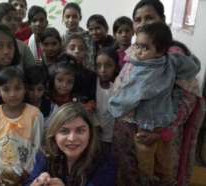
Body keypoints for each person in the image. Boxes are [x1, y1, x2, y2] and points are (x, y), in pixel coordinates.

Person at [108, 22, 200, 185]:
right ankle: (158, 179)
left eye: (145, 47)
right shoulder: (170, 60)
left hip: (148, 125)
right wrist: (193, 61)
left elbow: (129, 95)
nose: (139, 51)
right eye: (137, 45)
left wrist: (114, 105)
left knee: (150, 165)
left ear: (161, 49)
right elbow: (191, 67)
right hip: (162, 120)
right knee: (155, 164)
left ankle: (151, 180)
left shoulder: (142, 70)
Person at [25, 102, 117, 186]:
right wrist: (37, 182)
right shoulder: (44, 156)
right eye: (64, 131)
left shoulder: (105, 161)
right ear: (54, 135)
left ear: (90, 133)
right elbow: (29, 182)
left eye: (80, 131)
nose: (72, 138)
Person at [0, 66, 44, 185]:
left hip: (28, 177)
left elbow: (37, 148)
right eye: (6, 89)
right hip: (3, 178)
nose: (12, 94)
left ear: (25, 89)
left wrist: (27, 172)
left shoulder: (35, 115)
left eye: (18, 88)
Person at [0, 2, 35, 69]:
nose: (14, 23)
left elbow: (33, 71)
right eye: (8, 19)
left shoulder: (22, 46)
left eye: (16, 19)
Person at [94, 47, 120, 143]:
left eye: (108, 65)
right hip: (95, 139)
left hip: (113, 139)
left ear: (116, 66)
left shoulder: (119, 87)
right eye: (98, 65)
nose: (103, 70)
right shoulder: (92, 85)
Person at [65, 34, 97, 108]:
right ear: (65, 51)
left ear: (86, 53)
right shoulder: (58, 73)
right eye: (72, 48)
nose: (76, 51)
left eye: (81, 49)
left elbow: (92, 100)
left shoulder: (91, 75)